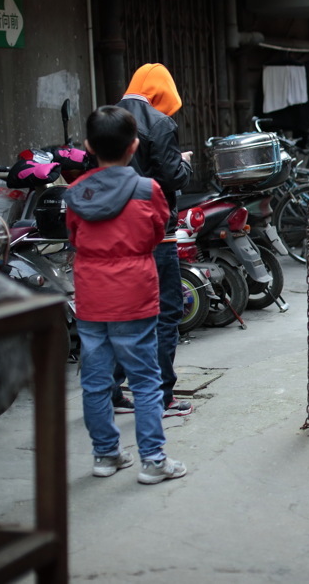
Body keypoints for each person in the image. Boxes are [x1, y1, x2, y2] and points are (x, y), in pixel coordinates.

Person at [65, 106, 187, 484]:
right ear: (134, 146)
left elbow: (73, 239)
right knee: (146, 378)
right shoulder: (146, 189)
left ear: (88, 146)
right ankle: (152, 460)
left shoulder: (74, 192)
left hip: (90, 295)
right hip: (134, 292)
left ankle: (106, 456)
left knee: (96, 379)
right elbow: (157, 232)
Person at [111, 63, 194, 417]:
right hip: (154, 235)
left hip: (115, 234)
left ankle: (110, 392)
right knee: (165, 311)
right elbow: (172, 176)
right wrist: (186, 163)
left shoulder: (109, 117)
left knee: (121, 313)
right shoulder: (159, 123)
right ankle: (162, 396)